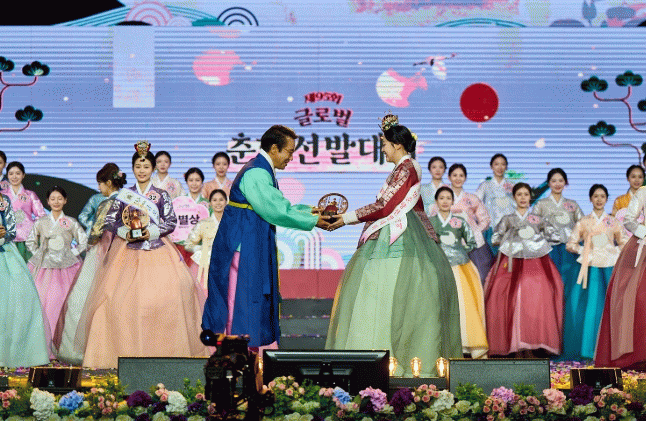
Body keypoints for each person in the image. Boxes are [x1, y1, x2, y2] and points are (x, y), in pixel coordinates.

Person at [325, 116, 462, 377]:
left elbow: (386, 206)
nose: (383, 149)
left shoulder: (407, 167)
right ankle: (380, 357)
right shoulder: (401, 168)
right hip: (396, 233)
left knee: (395, 295)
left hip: (401, 234)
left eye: (385, 144)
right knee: (386, 295)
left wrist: (345, 218)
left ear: (397, 145)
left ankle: (397, 359)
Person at [77, 141, 208, 368]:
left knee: (169, 297)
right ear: (132, 168)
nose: (142, 170)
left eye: (146, 166)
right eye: (138, 166)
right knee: (117, 300)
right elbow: (111, 220)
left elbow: (170, 222)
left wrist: (150, 232)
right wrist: (126, 232)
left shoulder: (161, 195)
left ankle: (164, 352)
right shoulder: (124, 195)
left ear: (153, 168)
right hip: (126, 251)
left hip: (157, 249)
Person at [202, 126, 331, 351]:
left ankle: (246, 354)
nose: (291, 157)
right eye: (288, 152)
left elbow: (277, 204)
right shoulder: (257, 173)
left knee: (248, 301)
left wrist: (311, 212)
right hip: (242, 246)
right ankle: (234, 354)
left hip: (249, 244)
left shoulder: (261, 169)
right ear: (273, 148)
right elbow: (275, 209)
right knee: (240, 302)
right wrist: (313, 220)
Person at [54, 164, 126, 365]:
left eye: (100, 184)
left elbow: (95, 231)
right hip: (123, 253)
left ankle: (81, 349)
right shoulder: (129, 200)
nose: (99, 188)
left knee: (84, 299)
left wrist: (90, 244)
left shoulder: (107, 203)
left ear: (109, 183)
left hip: (102, 252)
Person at [485, 183, 563, 357]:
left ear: (530, 197)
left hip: (536, 263)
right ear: (514, 197)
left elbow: (555, 236)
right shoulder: (508, 219)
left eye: (526, 194)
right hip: (511, 262)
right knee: (511, 299)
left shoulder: (537, 219)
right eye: (519, 194)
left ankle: (531, 345)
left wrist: (537, 240)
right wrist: (510, 236)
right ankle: (515, 345)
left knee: (534, 301)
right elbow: (495, 238)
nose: (522, 198)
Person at [565, 184, 626, 360]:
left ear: (606, 199)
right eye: (596, 196)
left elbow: (623, 242)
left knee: (610, 306)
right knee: (588, 307)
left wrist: (615, 252)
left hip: (608, 267)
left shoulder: (613, 222)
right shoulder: (583, 221)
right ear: (590, 199)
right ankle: (586, 348)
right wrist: (585, 251)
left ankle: (610, 349)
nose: (599, 200)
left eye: (602, 196)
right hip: (589, 267)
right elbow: (571, 244)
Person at [26, 186, 88, 349]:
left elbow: (83, 241)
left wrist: (71, 253)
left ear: (65, 200)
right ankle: (43, 345)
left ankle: (63, 345)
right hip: (44, 268)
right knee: (42, 303)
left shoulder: (71, 222)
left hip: (67, 267)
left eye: (60, 198)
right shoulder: (41, 222)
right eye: (52, 199)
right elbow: (30, 241)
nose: (56, 202)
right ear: (47, 201)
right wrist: (40, 254)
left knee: (65, 302)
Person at [430, 186, 487, 358]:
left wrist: (459, 250)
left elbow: (472, 242)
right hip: (438, 266)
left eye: (448, 198)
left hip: (460, 266)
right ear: (436, 201)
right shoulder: (430, 222)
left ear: (453, 201)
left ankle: (464, 344)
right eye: (441, 198)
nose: (445, 201)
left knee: (463, 304)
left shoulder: (460, 221)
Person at [531, 168, 583, 358]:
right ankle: (546, 343)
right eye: (553, 180)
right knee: (548, 296)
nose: (557, 184)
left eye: (561, 180)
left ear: (565, 183)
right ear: (549, 183)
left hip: (570, 255)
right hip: (548, 254)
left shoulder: (572, 205)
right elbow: (533, 227)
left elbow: (583, 227)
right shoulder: (541, 205)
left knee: (569, 296)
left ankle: (569, 343)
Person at [595, 185, 646, 369]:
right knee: (636, 300)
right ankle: (638, 356)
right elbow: (629, 220)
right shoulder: (643, 192)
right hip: (642, 246)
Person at [0, 192, 50, 367]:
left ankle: (13, 354)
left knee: (20, 301)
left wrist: (4, 234)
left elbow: (12, 231)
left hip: (5, 254)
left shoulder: (3, 199)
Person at [431, 163, 494, 284]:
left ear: (465, 178)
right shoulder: (443, 197)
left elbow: (485, 219)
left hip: (471, 241)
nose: (458, 178)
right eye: (454, 175)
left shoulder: (472, 198)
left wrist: (475, 231)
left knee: (478, 275)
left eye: (461, 175)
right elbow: (434, 217)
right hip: (448, 240)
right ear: (449, 177)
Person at [1, 161, 46, 261]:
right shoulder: (2, 195)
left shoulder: (30, 195)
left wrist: (33, 228)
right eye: (11, 174)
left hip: (28, 238)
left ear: (23, 175)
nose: (14, 177)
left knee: (28, 267)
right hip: (7, 238)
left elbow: (41, 215)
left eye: (18, 173)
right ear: (7, 176)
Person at [185, 189, 227, 293]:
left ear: (226, 202)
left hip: (227, 264)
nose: (218, 203)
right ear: (210, 203)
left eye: (221, 200)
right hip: (205, 266)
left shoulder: (232, 224)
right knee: (204, 294)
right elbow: (188, 244)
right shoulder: (203, 224)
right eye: (214, 200)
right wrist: (200, 249)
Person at [476, 153, 516, 255]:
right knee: (490, 259)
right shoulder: (485, 185)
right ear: (491, 167)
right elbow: (475, 205)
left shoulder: (513, 186)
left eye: (503, 164)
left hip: (509, 230)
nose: (500, 167)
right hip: (490, 229)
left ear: (506, 167)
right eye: (496, 164)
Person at [174, 167, 210, 279]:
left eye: (197, 180)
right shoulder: (178, 203)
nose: (194, 184)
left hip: (200, 248)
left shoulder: (208, 204)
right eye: (191, 180)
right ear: (186, 182)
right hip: (181, 247)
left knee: (199, 280)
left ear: (202, 182)